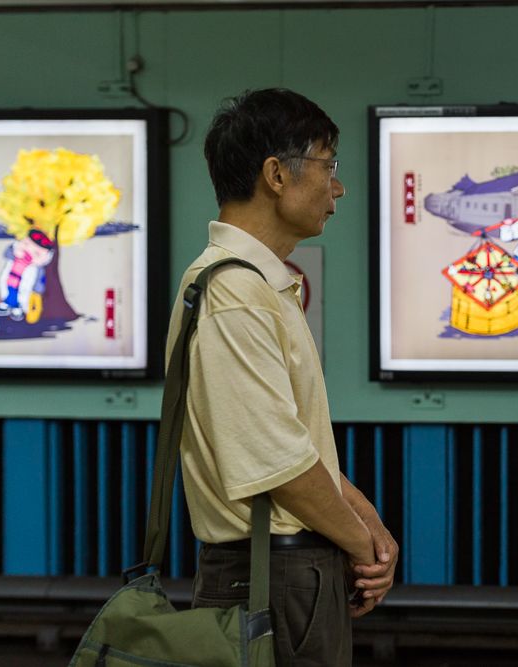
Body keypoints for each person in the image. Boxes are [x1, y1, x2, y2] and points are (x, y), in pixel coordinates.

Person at [165, 88, 397, 666]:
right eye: (329, 164)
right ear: (275, 173)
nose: (338, 187)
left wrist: (366, 521)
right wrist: (365, 547)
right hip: (273, 576)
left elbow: (294, 443)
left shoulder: (253, 285)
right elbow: (277, 466)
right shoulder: (237, 293)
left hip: (286, 569)